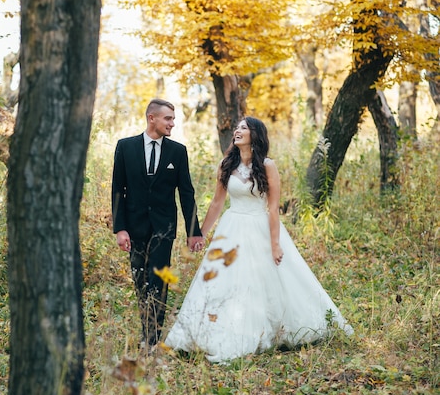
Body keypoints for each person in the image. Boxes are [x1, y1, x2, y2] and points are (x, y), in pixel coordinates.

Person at [164, 116, 353, 363]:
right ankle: (208, 333)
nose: (237, 130)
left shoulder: (267, 165)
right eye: (237, 127)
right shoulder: (226, 164)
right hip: (231, 227)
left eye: (243, 127)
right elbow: (217, 202)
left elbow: (273, 209)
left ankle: (270, 329)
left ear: (255, 134)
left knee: (264, 280)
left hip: (259, 228)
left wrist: (275, 244)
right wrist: (200, 233)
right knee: (222, 280)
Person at [112, 98, 206, 350]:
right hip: (134, 227)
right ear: (151, 118)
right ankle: (147, 329)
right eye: (168, 119)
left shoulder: (178, 151)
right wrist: (120, 228)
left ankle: (152, 339)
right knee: (140, 280)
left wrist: (193, 231)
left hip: (164, 228)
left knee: (158, 280)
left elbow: (187, 193)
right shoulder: (125, 147)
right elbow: (117, 190)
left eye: (173, 119)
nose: (172, 124)